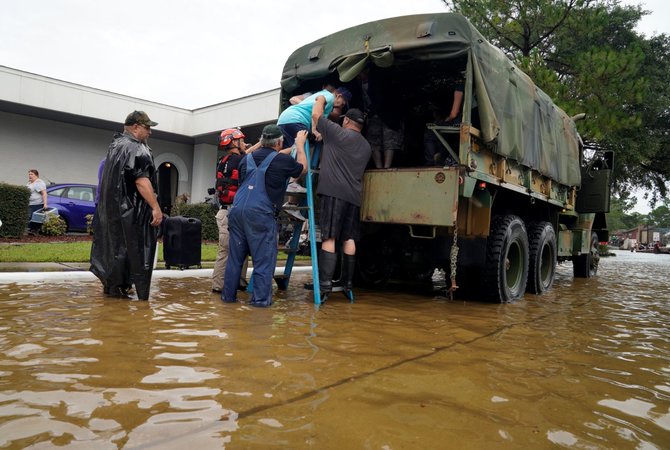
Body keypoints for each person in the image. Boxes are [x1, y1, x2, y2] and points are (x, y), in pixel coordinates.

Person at [222, 125, 307, 307]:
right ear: (279, 142)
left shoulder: (246, 160)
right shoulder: (282, 161)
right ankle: (259, 307)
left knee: (235, 261)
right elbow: (303, 170)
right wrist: (299, 145)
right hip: (260, 214)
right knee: (263, 263)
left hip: (237, 213)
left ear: (262, 141)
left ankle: (227, 302)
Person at [90, 111, 163, 300]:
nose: (150, 132)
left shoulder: (115, 146)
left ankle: (113, 296)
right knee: (133, 254)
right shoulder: (136, 148)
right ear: (136, 127)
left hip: (112, 214)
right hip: (130, 214)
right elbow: (141, 181)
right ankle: (127, 298)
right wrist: (155, 207)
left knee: (114, 254)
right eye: (147, 128)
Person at [314, 108, 371, 302]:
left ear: (346, 120)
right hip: (353, 196)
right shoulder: (366, 146)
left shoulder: (337, 133)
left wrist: (322, 97)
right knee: (348, 237)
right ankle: (347, 285)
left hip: (333, 192)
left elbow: (316, 115)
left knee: (329, 236)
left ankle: (324, 287)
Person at [277, 86, 351, 213]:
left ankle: (291, 202)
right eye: (342, 102)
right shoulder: (327, 96)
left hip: (286, 119)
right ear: (338, 95)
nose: (341, 106)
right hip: (296, 119)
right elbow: (316, 112)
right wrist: (315, 130)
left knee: (293, 150)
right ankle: (293, 183)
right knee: (301, 148)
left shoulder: (324, 100)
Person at [211, 127, 259, 293]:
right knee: (226, 250)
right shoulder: (239, 161)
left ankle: (237, 282)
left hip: (229, 212)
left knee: (240, 247)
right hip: (230, 213)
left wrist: (256, 145)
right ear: (234, 142)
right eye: (242, 141)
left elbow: (246, 155)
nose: (245, 143)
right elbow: (249, 158)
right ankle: (219, 287)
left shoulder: (225, 160)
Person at [357, 67, 403, 169]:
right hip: (372, 116)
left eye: (360, 73)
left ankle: (387, 167)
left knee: (389, 140)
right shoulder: (358, 84)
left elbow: (381, 98)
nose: (358, 76)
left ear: (366, 70)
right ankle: (379, 167)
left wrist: (369, 111)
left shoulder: (379, 80)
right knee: (373, 141)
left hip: (387, 114)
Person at [26, 169, 48, 234]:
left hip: (37, 204)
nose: (30, 176)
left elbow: (44, 193)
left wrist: (45, 204)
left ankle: (35, 231)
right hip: (30, 203)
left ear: (36, 175)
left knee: (34, 217)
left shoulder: (38, 183)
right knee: (29, 217)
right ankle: (32, 230)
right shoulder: (29, 183)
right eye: (29, 174)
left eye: (32, 174)